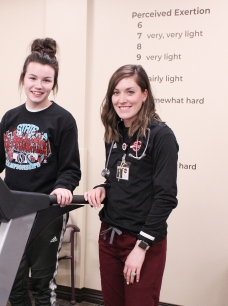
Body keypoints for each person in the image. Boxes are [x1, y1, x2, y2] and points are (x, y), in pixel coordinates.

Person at [0, 37, 81, 306]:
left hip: (46, 212)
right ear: (23, 78)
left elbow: (70, 169)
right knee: (11, 281)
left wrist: (63, 187)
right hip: (12, 208)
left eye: (46, 80)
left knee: (41, 283)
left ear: (54, 83)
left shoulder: (63, 120)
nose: (38, 86)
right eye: (33, 78)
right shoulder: (10, 118)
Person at [84, 64, 178, 306]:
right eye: (116, 92)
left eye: (130, 92)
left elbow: (165, 197)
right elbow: (118, 179)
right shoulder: (114, 132)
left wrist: (141, 247)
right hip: (110, 235)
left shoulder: (162, 136)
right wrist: (103, 188)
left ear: (144, 95)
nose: (121, 99)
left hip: (142, 240)